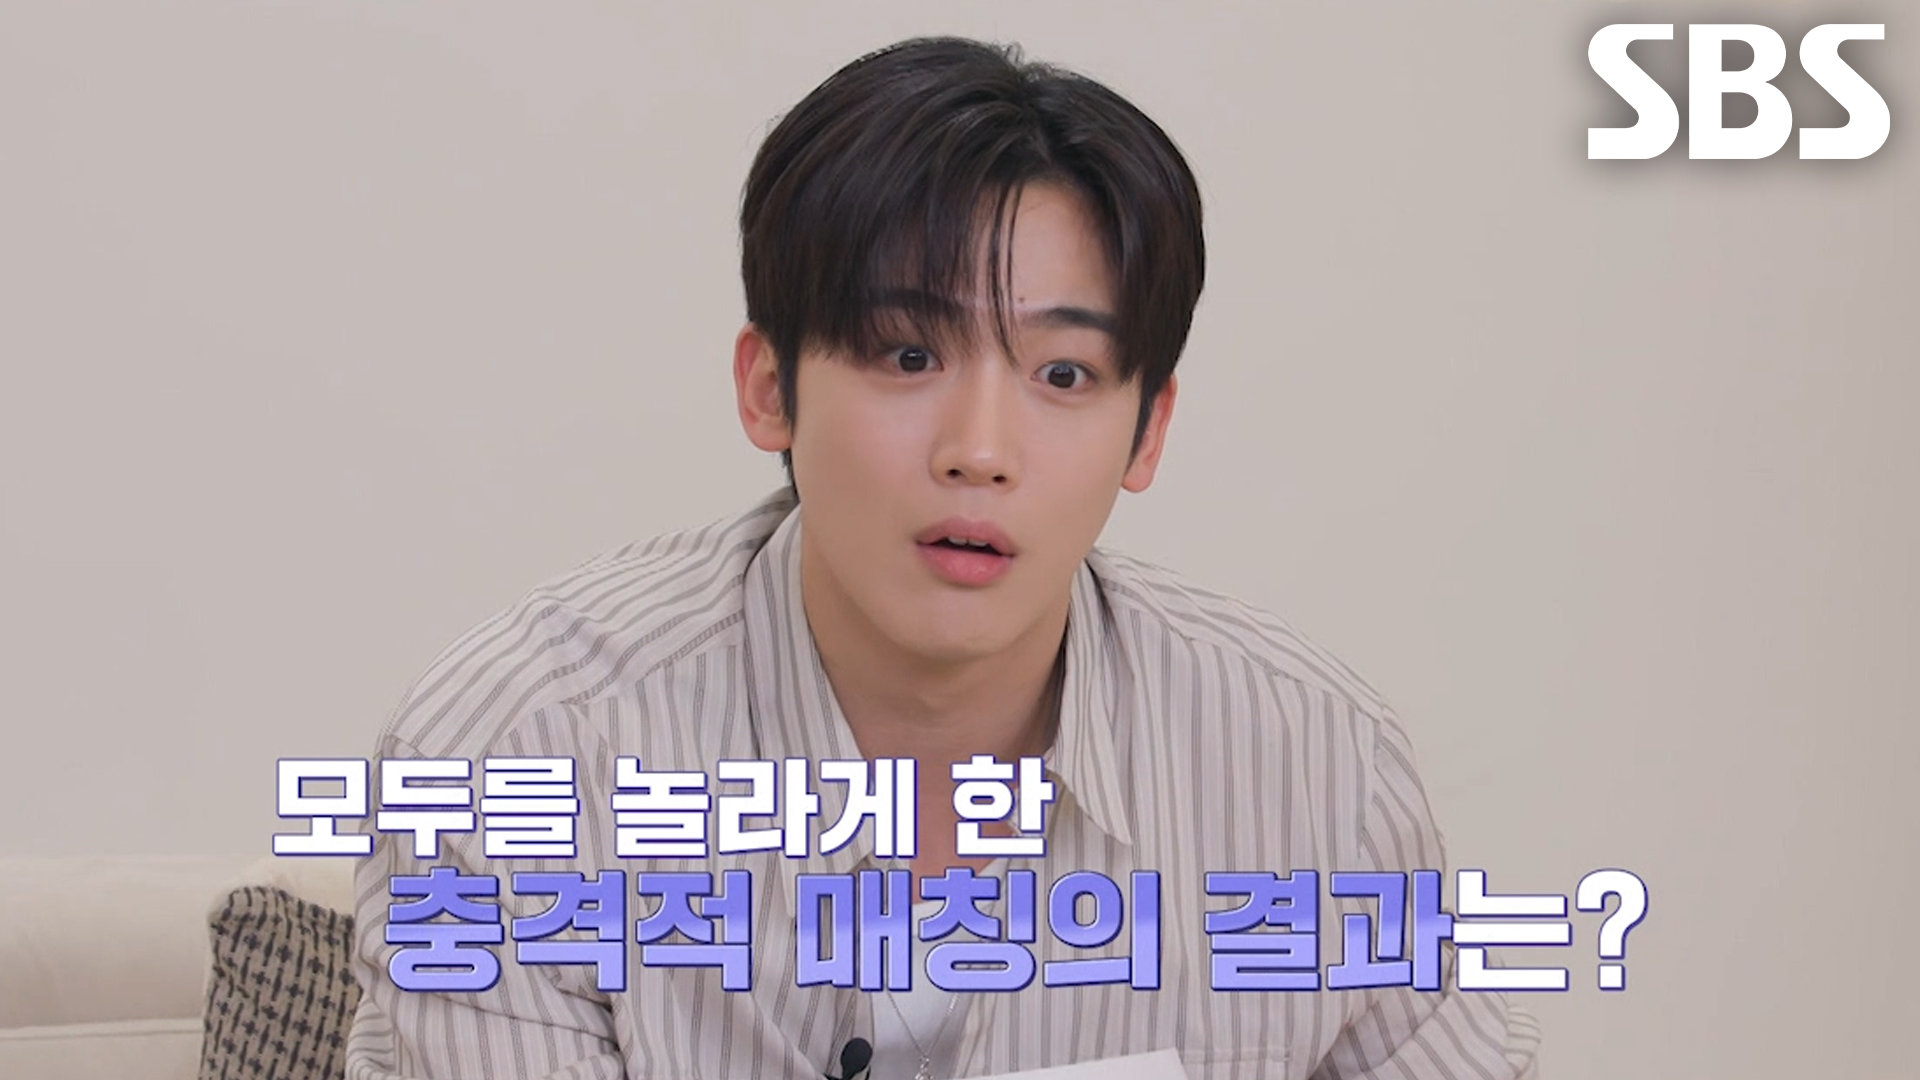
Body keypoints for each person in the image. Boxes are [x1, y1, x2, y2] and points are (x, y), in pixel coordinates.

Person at [345, 35, 1542, 1080]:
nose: (981, 450)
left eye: (1063, 374)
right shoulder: (518, 763)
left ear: (1148, 431)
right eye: (909, 356)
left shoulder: (1316, 770)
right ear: (770, 389)